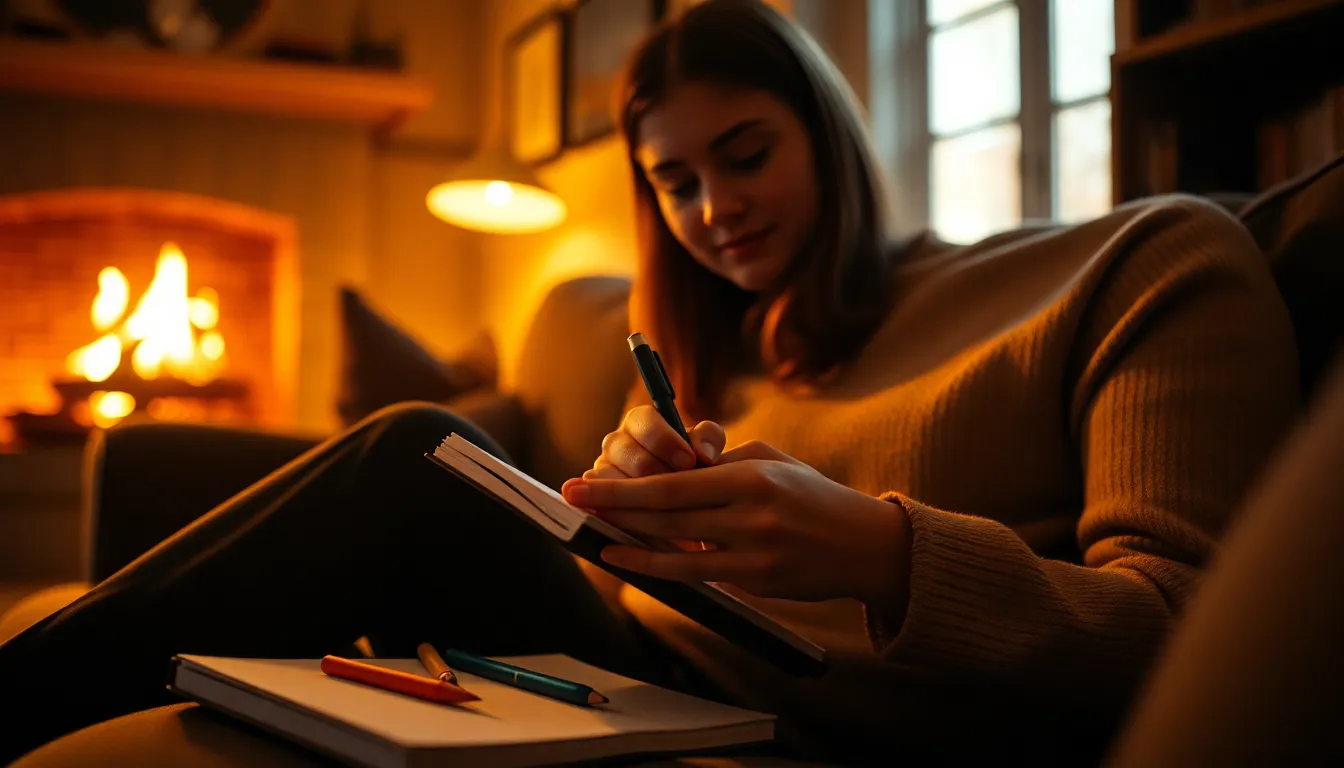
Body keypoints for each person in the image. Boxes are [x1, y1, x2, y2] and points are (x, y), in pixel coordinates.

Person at [0, 0, 1302, 763]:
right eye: (674, 183)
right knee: (432, 472)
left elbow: (1192, 643)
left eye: (745, 156)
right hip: (611, 657)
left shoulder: (1150, 257)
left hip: (778, 715)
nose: (714, 211)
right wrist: (622, 502)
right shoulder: (722, 340)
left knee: (414, 451)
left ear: (834, 138)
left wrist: (881, 550)